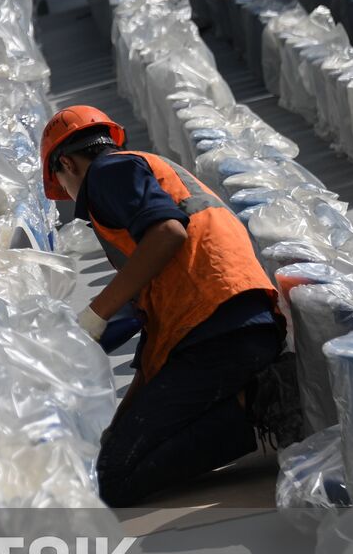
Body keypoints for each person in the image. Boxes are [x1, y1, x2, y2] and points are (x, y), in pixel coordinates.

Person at [42, 105, 291, 507]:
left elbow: (167, 232)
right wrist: (119, 428)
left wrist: (96, 313)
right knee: (116, 455)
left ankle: (262, 400)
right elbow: (157, 346)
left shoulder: (107, 174)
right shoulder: (147, 169)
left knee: (111, 480)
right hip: (232, 324)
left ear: (67, 164)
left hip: (222, 331)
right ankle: (253, 399)